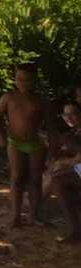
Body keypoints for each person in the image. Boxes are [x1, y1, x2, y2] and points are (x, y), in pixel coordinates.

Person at [0, 63, 50, 227]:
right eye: (20, 79)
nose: (23, 83)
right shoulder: (8, 97)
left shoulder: (42, 101)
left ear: (35, 80)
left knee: (35, 180)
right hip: (15, 143)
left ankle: (34, 215)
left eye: (28, 80)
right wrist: (0, 136)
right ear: (15, 79)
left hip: (36, 144)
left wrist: (52, 147)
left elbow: (51, 127)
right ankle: (15, 216)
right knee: (16, 178)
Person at [47, 102, 81, 242]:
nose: (68, 117)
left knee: (57, 181)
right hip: (78, 170)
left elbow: (78, 158)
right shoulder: (74, 131)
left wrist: (61, 162)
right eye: (65, 114)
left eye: (72, 113)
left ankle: (76, 230)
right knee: (54, 177)